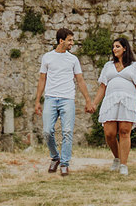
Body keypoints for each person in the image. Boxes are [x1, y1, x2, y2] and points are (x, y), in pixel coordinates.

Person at [33, 27, 93, 176]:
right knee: (47, 131)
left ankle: (65, 163)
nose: (72, 43)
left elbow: (80, 80)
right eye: (70, 40)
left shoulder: (73, 59)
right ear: (61, 41)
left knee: (67, 132)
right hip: (51, 99)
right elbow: (42, 79)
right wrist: (37, 101)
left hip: (67, 99)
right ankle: (55, 157)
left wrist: (88, 100)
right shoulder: (47, 57)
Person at [89, 36, 136, 176]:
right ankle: (117, 157)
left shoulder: (133, 66)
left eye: (117, 46)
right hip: (111, 101)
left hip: (128, 101)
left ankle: (123, 165)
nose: (114, 49)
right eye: (113, 47)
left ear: (125, 48)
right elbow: (102, 87)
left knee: (125, 132)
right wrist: (94, 103)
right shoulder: (108, 66)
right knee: (109, 133)